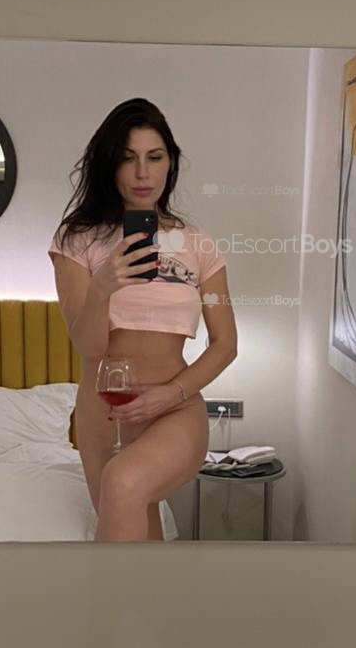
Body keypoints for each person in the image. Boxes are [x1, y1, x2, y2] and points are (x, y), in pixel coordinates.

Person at [48, 97, 237, 542]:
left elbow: (226, 344)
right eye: (127, 158)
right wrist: (102, 287)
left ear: (171, 163)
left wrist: (170, 394)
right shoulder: (77, 240)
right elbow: (90, 348)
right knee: (136, 529)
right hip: (104, 411)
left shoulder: (198, 245)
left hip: (175, 406)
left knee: (122, 482)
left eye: (154, 157)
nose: (142, 173)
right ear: (109, 164)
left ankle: (98, 596)